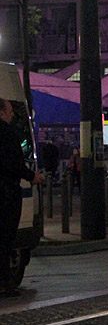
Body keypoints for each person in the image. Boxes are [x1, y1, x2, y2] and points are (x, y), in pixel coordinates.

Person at [0, 98, 44, 296]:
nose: (12, 115)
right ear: (1, 112)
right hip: (6, 193)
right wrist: (32, 176)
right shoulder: (7, 133)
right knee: (5, 238)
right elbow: (13, 164)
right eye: (9, 111)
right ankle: (4, 282)